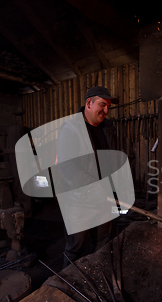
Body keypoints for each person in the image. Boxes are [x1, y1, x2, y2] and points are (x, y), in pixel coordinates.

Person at [56, 86, 118, 267]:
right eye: (102, 105)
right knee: (76, 246)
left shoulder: (107, 128)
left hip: (104, 197)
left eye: (108, 107)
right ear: (88, 103)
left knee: (102, 241)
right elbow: (67, 167)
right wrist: (93, 187)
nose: (106, 111)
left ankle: (96, 273)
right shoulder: (71, 129)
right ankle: (67, 284)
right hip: (78, 200)